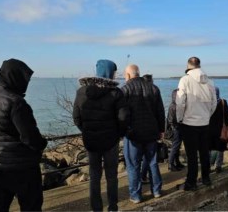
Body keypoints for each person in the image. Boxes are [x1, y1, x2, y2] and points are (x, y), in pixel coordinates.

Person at [0, 58, 48, 211]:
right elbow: (30, 138)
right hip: (22, 167)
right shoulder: (16, 102)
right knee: (31, 206)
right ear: (16, 78)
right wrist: (43, 144)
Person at [73, 59, 129, 211]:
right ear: (110, 72)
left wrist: (86, 131)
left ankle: (96, 208)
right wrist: (118, 134)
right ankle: (112, 207)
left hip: (91, 142)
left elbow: (76, 118)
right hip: (111, 142)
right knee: (112, 176)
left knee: (94, 177)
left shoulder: (81, 92)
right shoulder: (116, 93)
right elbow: (123, 118)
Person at [121, 64, 165, 203]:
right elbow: (160, 111)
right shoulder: (153, 88)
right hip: (151, 132)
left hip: (133, 134)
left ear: (128, 75)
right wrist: (161, 130)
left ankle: (136, 195)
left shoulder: (124, 90)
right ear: (138, 73)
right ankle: (156, 190)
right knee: (152, 162)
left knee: (133, 165)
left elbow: (122, 115)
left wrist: (124, 131)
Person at [176, 57, 217, 191]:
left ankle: (191, 182)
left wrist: (179, 118)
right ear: (199, 65)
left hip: (189, 123)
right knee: (205, 152)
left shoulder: (185, 80)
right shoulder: (210, 82)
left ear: (188, 66)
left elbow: (180, 102)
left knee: (191, 155)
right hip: (205, 123)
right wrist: (207, 116)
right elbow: (214, 103)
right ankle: (206, 178)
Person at [208, 87, 228, 173]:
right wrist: (226, 126)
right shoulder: (223, 102)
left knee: (209, 148)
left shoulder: (207, 103)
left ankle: (208, 166)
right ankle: (218, 166)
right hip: (220, 129)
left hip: (208, 129)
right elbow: (227, 116)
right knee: (220, 148)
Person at [167, 89, 185, 171]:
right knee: (175, 147)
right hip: (176, 129)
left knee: (177, 147)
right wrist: (175, 129)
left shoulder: (175, 105)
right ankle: (170, 164)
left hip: (178, 128)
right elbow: (171, 120)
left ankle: (177, 162)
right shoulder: (174, 106)